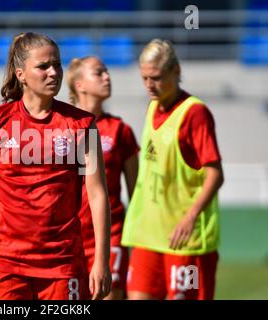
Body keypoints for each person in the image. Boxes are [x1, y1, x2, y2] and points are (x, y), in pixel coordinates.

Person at [0, 32, 111, 300]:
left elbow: (98, 194)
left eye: (57, 64)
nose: (53, 72)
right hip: (8, 264)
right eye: (43, 66)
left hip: (63, 263)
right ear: (20, 74)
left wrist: (101, 260)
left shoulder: (82, 125)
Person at [121, 39, 224, 300]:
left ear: (176, 71)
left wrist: (190, 217)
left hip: (184, 240)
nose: (149, 85)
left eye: (155, 78)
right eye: (144, 78)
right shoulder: (152, 107)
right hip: (148, 234)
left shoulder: (195, 113)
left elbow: (215, 173)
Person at [66, 56, 139, 300]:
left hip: (110, 236)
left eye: (107, 71)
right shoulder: (62, 128)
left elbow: (136, 192)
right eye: (99, 73)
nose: (107, 77)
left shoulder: (121, 130)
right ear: (79, 84)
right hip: (68, 237)